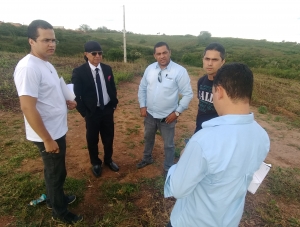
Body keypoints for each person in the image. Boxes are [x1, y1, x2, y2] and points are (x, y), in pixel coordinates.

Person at [164, 63, 270, 227]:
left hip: (192, 221)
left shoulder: (204, 140)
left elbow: (178, 189)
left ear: (218, 91)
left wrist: (185, 157)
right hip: (229, 220)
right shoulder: (262, 136)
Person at [13, 19, 83, 224]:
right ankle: (59, 211)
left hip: (56, 129)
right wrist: (47, 139)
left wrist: (65, 101)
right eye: (45, 40)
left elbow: (49, 93)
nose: (51, 44)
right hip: (48, 133)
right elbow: (27, 106)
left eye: (53, 40)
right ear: (31, 41)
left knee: (57, 169)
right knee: (55, 172)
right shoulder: (28, 68)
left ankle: (57, 197)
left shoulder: (45, 63)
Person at [137, 41, 193, 175]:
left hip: (168, 117)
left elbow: (188, 94)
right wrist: (142, 105)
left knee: (168, 144)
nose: (162, 56)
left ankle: (168, 167)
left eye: (164, 53)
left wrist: (177, 112)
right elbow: (142, 88)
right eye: (158, 54)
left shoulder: (179, 71)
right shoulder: (150, 69)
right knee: (148, 138)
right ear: (154, 55)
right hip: (150, 114)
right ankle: (147, 158)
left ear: (170, 53)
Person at [72, 41, 119, 178]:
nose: (98, 56)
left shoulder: (107, 69)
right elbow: (76, 95)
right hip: (92, 112)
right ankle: (95, 163)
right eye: (94, 53)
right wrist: (85, 112)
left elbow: (112, 87)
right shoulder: (79, 72)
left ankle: (108, 160)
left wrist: (113, 103)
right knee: (92, 139)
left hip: (107, 109)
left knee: (109, 137)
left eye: (100, 53)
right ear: (86, 54)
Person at [195, 42, 226, 133]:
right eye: (207, 59)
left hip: (218, 133)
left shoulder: (226, 85)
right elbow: (201, 107)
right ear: (203, 60)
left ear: (222, 62)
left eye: (215, 60)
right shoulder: (201, 81)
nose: (210, 63)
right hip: (200, 129)